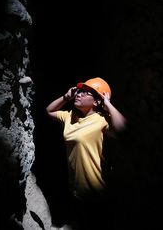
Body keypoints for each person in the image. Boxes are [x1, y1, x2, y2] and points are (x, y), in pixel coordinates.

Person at [46, 77, 126, 230]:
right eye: (79, 91)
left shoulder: (102, 120)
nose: (79, 94)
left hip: (97, 192)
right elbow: (49, 111)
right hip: (75, 189)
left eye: (85, 93)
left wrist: (107, 104)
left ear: (96, 102)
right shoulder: (69, 117)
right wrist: (65, 97)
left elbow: (122, 129)